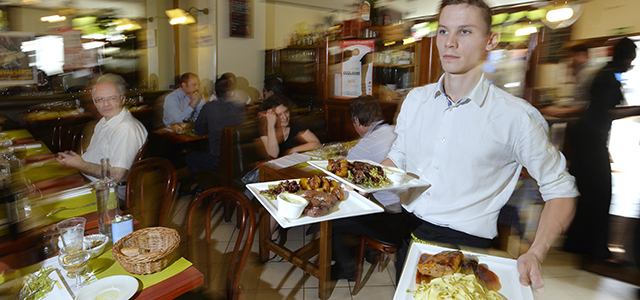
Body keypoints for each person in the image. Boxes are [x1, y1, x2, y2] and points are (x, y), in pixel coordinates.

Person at [380, 0, 578, 291]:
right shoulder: (416, 100)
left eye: (464, 32)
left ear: (491, 40)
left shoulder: (516, 117)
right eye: (444, 31)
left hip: (464, 248)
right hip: (407, 232)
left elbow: (561, 190)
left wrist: (536, 252)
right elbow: (397, 158)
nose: (449, 42)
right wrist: (358, 180)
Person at [563, 38, 640, 263]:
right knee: (599, 195)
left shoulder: (607, 72)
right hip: (589, 139)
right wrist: (637, 109)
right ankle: (593, 249)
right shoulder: (609, 76)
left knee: (588, 194)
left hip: (587, 138)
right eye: (631, 61)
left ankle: (578, 244)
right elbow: (605, 112)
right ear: (626, 58)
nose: (630, 66)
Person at [332, 95, 404, 281]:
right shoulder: (396, 130)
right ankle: (370, 254)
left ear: (356, 120)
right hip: (407, 213)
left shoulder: (366, 144)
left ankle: (347, 269)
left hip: (390, 219)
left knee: (335, 218)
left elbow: (342, 174)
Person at [57, 76, 147, 183]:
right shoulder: (104, 121)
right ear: (94, 102)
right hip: (88, 180)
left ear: (123, 99)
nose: (106, 104)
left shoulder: (126, 128)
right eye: (100, 99)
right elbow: (96, 156)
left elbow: (118, 175)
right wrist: (75, 159)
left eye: (112, 98)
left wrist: (79, 164)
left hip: (109, 192)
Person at [185, 77, 246, 173]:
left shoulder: (209, 107)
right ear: (232, 93)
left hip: (218, 160)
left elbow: (199, 131)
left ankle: (202, 183)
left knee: (190, 157)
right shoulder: (240, 107)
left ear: (214, 92)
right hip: (238, 158)